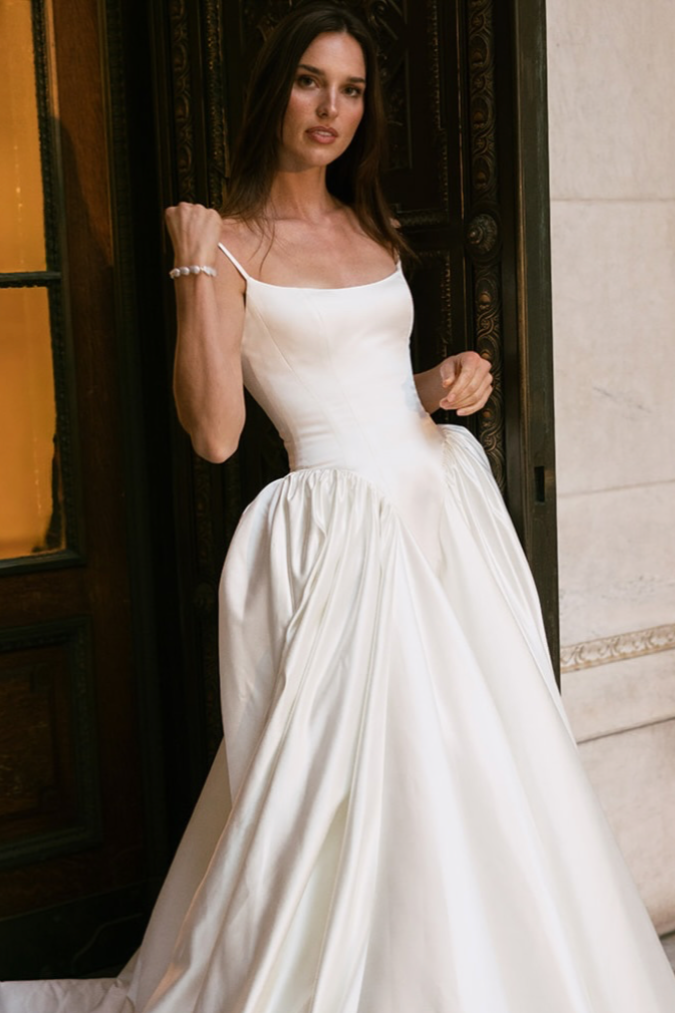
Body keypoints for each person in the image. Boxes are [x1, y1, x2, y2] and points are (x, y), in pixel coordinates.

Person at [2, 3, 675, 1012]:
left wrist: (428, 382)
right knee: (366, 776)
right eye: (313, 82)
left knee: (488, 756)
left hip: (440, 504)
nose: (332, 108)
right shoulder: (226, 244)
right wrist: (192, 262)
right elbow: (219, 431)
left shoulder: (369, 221)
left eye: (352, 88)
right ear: (274, 91)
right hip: (346, 535)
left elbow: (354, 379)